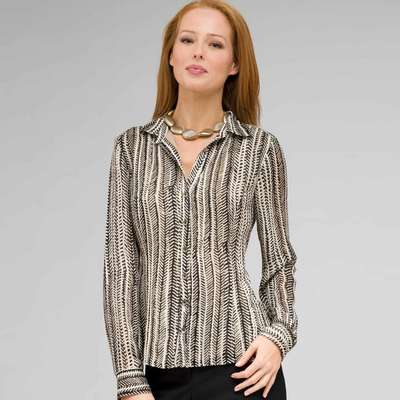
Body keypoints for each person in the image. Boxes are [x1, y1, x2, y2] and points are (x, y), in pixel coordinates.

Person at [103, 1, 298, 399]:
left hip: (243, 372)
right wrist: (129, 378)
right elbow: (121, 270)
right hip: (158, 378)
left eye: (215, 44)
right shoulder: (131, 149)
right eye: (188, 40)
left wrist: (277, 336)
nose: (198, 53)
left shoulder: (259, 149)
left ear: (234, 64)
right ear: (170, 55)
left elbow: (279, 261)